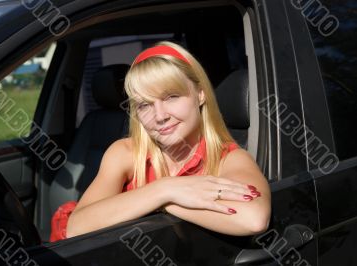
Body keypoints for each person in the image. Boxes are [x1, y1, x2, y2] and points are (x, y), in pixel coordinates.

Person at [51, 41, 271, 241]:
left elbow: (253, 218)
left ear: (200, 94)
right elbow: (77, 227)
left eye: (171, 97)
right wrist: (165, 190)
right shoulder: (126, 152)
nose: (160, 116)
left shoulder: (229, 158)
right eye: (144, 105)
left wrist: (163, 203)